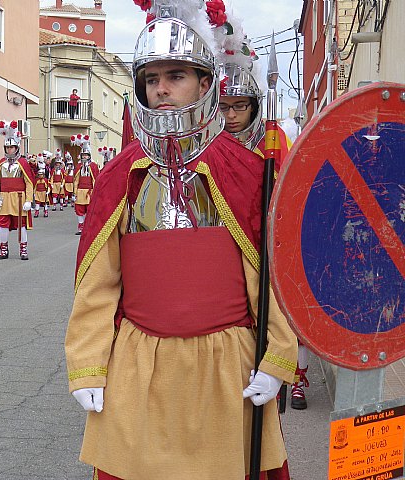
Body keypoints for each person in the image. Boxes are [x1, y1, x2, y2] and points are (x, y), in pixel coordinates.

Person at [64, 3, 298, 479]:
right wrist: (87, 362)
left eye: (176, 75)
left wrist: (277, 357)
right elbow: (99, 285)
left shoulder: (248, 172)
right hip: (139, 370)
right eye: (152, 78)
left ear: (206, 83)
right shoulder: (122, 176)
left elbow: (273, 279)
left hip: (225, 372)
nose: (162, 88)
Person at [215, 20, 304, 412]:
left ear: (253, 106)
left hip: (267, 247)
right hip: (225, 259)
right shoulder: (208, 148)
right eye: (225, 107)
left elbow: (288, 197)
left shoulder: (272, 142)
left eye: (240, 106)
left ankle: (295, 379)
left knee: (284, 319)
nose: (232, 116)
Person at [0, 120, 34, 261]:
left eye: (12, 147)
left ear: (17, 148)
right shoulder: (0, 163)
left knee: (21, 224)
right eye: (7, 147)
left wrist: (29, 200)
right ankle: (3, 250)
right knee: (3, 224)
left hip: (19, 198)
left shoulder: (23, 163)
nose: (9, 150)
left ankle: (23, 250)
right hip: (4, 199)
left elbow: (29, 182)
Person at [71, 134, 99, 235]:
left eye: (86, 155)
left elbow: (95, 179)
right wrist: (74, 193)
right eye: (83, 156)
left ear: (89, 156)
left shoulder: (93, 166)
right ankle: (81, 227)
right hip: (80, 191)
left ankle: (89, 227)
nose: (84, 157)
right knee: (79, 209)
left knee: (90, 210)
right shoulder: (78, 166)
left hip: (90, 191)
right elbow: (76, 181)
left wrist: (95, 192)